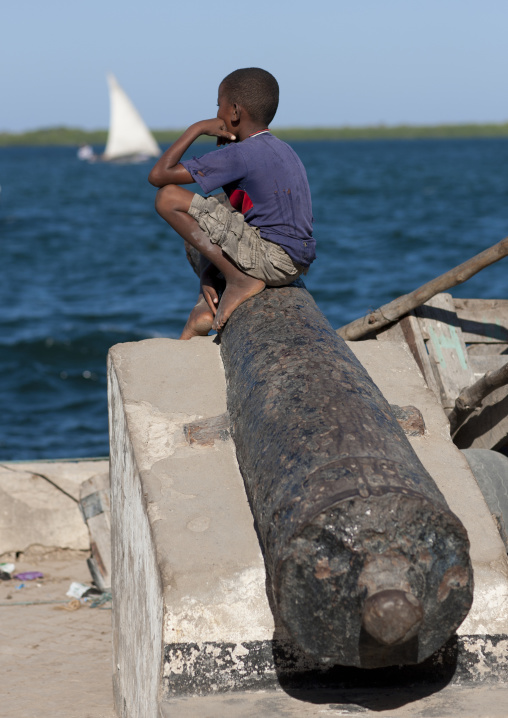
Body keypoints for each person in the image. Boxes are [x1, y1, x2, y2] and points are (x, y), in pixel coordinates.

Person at [148, 67, 315, 339]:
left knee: (168, 197)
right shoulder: (282, 148)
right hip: (296, 260)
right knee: (219, 203)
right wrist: (209, 271)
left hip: (272, 260)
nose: (217, 115)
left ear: (235, 112)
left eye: (219, 107)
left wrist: (197, 128)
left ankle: (239, 280)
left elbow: (159, 175)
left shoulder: (241, 154)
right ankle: (214, 283)